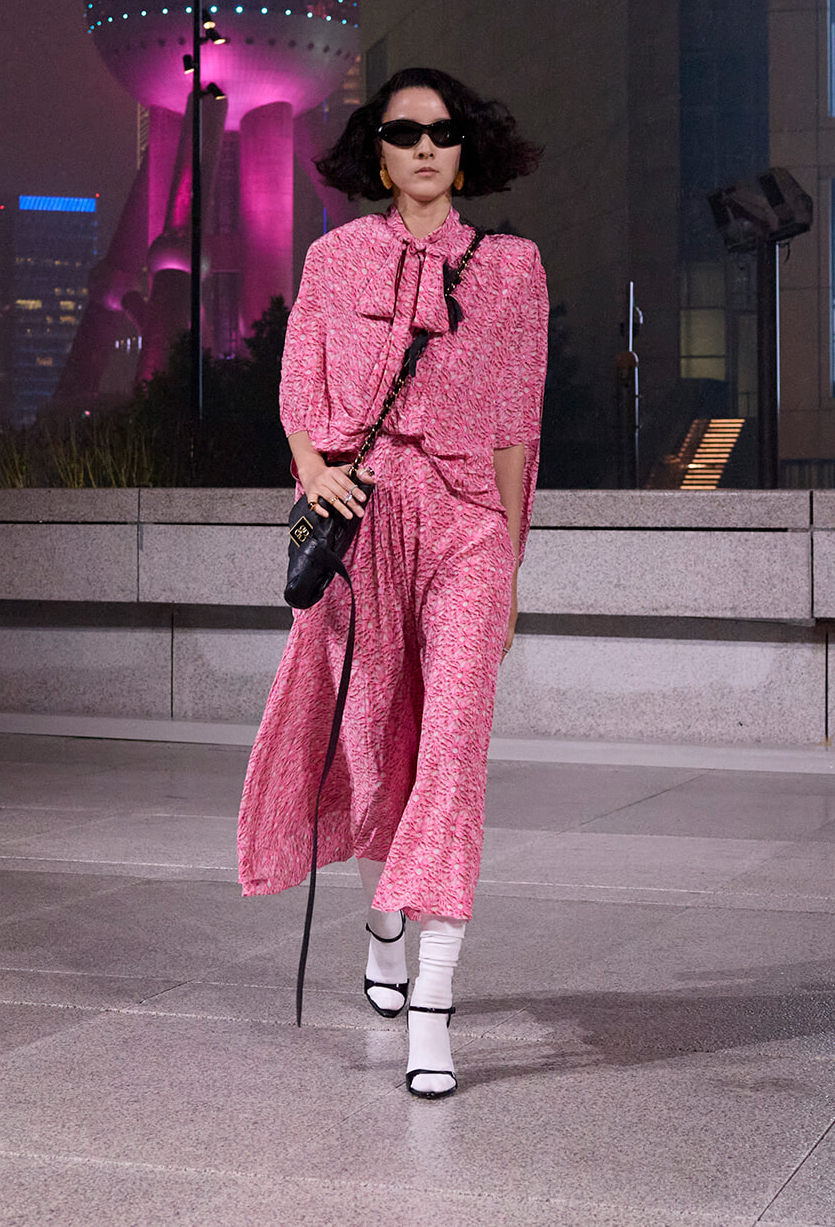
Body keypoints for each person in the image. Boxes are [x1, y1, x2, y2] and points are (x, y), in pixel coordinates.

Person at [236, 66, 548, 1098]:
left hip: (466, 525)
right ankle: (382, 922)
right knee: (373, 744)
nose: (424, 147)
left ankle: (434, 1002)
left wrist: (509, 567)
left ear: (466, 150)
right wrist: (313, 469)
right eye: (404, 131)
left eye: (442, 132)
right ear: (376, 150)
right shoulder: (334, 259)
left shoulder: (512, 269)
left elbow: (516, 427)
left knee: (453, 749)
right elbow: (299, 388)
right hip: (363, 519)